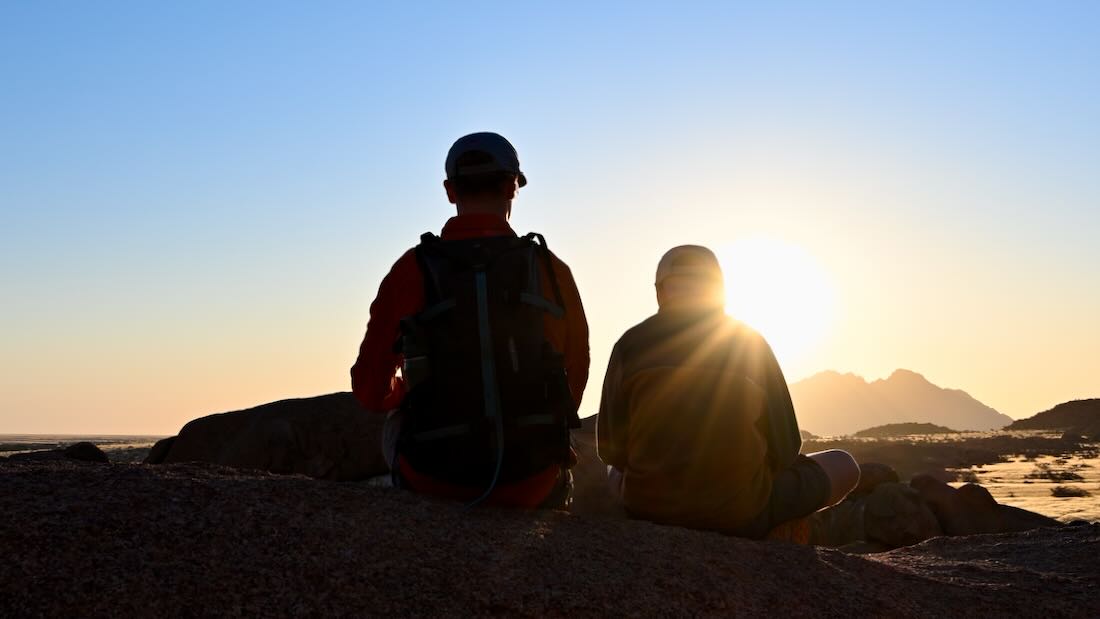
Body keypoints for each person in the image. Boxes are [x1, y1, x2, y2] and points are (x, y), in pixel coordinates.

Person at [351, 132, 590, 508]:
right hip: (532, 480)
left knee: (398, 417)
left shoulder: (412, 269)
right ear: (513, 186)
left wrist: (409, 391)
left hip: (435, 479)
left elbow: (369, 388)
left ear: (450, 191)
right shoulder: (549, 269)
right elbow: (575, 373)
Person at [596, 245, 859, 538]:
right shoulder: (749, 341)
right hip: (739, 515)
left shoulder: (629, 344)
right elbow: (786, 445)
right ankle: (776, 531)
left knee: (613, 474)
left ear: (660, 292)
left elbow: (610, 450)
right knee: (844, 464)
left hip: (649, 510)